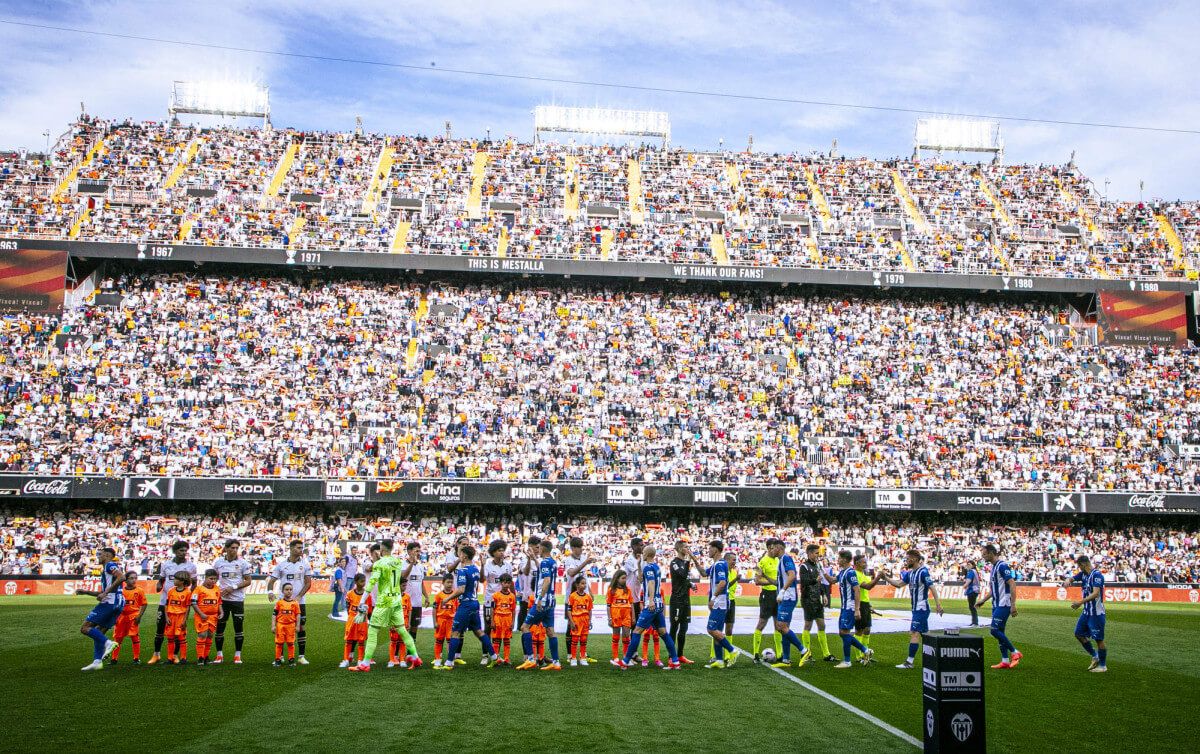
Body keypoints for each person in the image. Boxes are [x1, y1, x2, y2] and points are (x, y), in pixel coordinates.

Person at [350, 539, 420, 672]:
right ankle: (416, 657)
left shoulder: (379, 563)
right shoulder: (397, 562)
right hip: (396, 600)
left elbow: (371, 583)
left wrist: (361, 601)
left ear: (382, 549)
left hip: (384, 601)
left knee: (372, 631)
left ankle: (365, 663)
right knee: (402, 631)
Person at [615, 545, 681, 670]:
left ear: (648, 554)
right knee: (663, 633)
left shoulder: (649, 567)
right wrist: (639, 565)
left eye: (644, 552)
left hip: (651, 605)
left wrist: (650, 601)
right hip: (658, 605)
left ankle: (625, 661)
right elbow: (641, 579)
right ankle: (675, 662)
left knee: (636, 632)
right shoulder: (655, 566)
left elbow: (650, 583)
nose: (642, 553)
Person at [436, 544, 497, 670]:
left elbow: (461, 589)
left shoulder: (463, 571)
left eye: (460, 553)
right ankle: (495, 657)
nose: (459, 555)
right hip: (474, 603)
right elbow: (480, 580)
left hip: (466, 605)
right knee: (479, 631)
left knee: (455, 633)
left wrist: (447, 598)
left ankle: (449, 662)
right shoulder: (475, 568)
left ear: (464, 556)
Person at [881, 550, 943, 669]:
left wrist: (938, 604)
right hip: (916, 608)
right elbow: (899, 584)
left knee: (914, 633)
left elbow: (932, 587)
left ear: (914, 559)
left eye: (908, 558)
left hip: (921, 608)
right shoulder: (910, 573)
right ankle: (938, 658)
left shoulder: (923, 572)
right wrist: (886, 578)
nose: (906, 560)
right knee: (926, 634)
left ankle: (909, 662)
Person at [516, 538, 562, 671]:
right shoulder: (552, 561)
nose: (538, 549)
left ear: (542, 549)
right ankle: (556, 662)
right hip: (551, 601)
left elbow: (546, 580)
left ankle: (530, 659)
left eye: (539, 548)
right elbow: (543, 570)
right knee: (550, 631)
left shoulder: (545, 562)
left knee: (524, 627)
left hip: (542, 601)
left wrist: (540, 598)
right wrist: (534, 559)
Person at [149, 540, 196, 665]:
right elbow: (161, 580)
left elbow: (194, 583)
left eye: (185, 550)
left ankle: (174, 656)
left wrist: (187, 595)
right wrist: (159, 585)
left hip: (180, 606)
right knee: (160, 629)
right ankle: (156, 655)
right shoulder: (166, 564)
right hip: (165, 602)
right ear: (175, 551)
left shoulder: (191, 566)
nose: (184, 553)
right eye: (181, 550)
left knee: (177, 632)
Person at [77, 546, 123, 671]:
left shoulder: (109, 565)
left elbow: (121, 577)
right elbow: (105, 590)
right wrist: (85, 592)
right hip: (118, 603)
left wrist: (105, 593)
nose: (99, 556)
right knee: (99, 632)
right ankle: (97, 661)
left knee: (85, 628)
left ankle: (109, 643)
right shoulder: (107, 570)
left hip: (110, 602)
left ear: (107, 556)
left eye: (101, 554)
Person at [267, 539, 313, 665]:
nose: (300, 550)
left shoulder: (305, 565)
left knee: (301, 627)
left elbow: (308, 583)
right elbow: (271, 581)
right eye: (298, 547)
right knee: (281, 627)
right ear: (291, 548)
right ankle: (280, 656)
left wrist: (299, 596)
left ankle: (301, 656)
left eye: (301, 547)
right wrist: (270, 592)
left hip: (300, 602)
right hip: (283, 602)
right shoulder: (281, 565)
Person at [977, 543, 1022, 670]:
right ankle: (1005, 661)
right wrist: (983, 600)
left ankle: (1015, 652)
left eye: (984, 554)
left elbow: (1012, 584)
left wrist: (1013, 604)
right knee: (1000, 631)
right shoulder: (994, 567)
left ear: (991, 553)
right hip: (996, 604)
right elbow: (993, 590)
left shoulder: (1002, 566)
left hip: (1004, 603)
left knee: (994, 630)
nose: (983, 557)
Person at [769, 538, 811, 668]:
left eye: (773, 548)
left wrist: (782, 591)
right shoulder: (781, 561)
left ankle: (804, 650)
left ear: (779, 548)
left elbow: (792, 576)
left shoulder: (786, 559)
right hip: (785, 596)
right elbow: (782, 580)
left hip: (788, 597)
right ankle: (786, 659)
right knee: (783, 627)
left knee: (780, 625)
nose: (771, 550)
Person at [1062, 555, 1107, 672]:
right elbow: (1072, 578)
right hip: (1087, 612)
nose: (1079, 569)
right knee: (1078, 633)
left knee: (1099, 639)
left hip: (1096, 613)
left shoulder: (1096, 575)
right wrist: (1067, 580)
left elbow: (1096, 593)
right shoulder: (1083, 575)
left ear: (1083, 564)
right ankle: (1095, 655)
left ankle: (1103, 666)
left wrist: (1080, 602)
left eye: (1079, 566)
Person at [212, 539, 253, 665]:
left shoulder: (243, 563)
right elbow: (213, 579)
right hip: (222, 601)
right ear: (226, 548)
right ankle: (219, 655)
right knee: (220, 628)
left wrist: (233, 587)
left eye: (236, 548)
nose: (234, 550)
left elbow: (248, 581)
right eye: (232, 548)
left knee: (238, 628)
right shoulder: (218, 563)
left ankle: (237, 655)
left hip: (237, 600)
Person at [834, 550, 873, 669]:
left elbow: (857, 590)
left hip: (849, 607)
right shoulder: (842, 572)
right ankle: (865, 650)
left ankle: (847, 660)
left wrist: (857, 609)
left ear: (845, 560)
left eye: (839, 558)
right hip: (844, 606)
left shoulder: (850, 573)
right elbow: (832, 580)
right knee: (842, 633)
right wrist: (821, 572)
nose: (837, 560)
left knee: (845, 632)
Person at [562, 536, 597, 664]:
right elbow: (571, 573)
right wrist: (585, 563)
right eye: (578, 548)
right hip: (572, 597)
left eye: (582, 547)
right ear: (572, 548)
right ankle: (570, 654)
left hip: (584, 597)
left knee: (584, 626)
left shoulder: (583, 558)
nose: (581, 550)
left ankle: (583, 654)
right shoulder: (568, 560)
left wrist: (591, 592)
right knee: (571, 626)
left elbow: (584, 578)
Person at [704, 540, 739, 669]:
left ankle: (732, 650)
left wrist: (712, 598)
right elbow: (703, 573)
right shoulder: (716, 564)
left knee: (711, 629)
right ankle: (719, 660)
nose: (708, 551)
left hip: (720, 602)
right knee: (717, 631)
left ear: (716, 550)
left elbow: (723, 582)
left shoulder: (719, 565)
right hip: (721, 601)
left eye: (710, 548)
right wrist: (692, 557)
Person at [622, 537, 655, 666]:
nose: (642, 547)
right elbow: (640, 578)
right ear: (634, 546)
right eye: (641, 545)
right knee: (629, 627)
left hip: (636, 598)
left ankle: (633, 654)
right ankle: (627, 655)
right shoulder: (630, 560)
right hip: (629, 599)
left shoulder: (641, 560)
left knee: (635, 627)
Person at [799, 543, 835, 662]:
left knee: (822, 625)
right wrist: (815, 580)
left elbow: (821, 582)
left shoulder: (818, 565)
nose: (818, 555)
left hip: (817, 600)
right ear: (809, 553)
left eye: (818, 553)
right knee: (808, 625)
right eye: (816, 553)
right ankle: (807, 654)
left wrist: (824, 594)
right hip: (807, 599)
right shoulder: (804, 566)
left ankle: (826, 654)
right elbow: (803, 581)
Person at [669, 540, 699, 665]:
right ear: (680, 548)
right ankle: (672, 656)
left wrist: (691, 584)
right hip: (676, 600)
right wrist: (688, 560)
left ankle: (680, 655)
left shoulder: (685, 563)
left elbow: (684, 579)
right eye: (686, 547)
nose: (688, 549)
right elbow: (681, 574)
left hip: (686, 600)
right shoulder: (674, 562)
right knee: (674, 628)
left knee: (684, 628)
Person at [482, 539, 512, 664]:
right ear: (493, 552)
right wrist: (482, 565)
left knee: (501, 629)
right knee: (488, 628)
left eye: (502, 550)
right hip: (490, 601)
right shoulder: (488, 565)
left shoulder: (508, 566)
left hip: (504, 602)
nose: (501, 553)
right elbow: (482, 579)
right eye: (499, 550)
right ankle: (484, 655)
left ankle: (499, 656)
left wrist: (513, 597)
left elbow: (511, 583)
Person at [752, 544, 784, 663]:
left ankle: (780, 654)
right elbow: (757, 581)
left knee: (778, 625)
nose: (775, 549)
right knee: (761, 623)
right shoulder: (762, 562)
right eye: (773, 547)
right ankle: (755, 654)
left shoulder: (779, 560)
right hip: (767, 595)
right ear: (769, 548)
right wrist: (773, 583)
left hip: (777, 595)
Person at [110, 570, 146, 664]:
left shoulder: (139, 590)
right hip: (121, 617)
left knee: (134, 637)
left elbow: (144, 604)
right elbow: (115, 605)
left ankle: (136, 658)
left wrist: (139, 615)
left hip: (133, 616)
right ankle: (114, 659)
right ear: (125, 580)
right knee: (118, 638)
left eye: (135, 578)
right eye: (131, 578)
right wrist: (114, 617)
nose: (134, 580)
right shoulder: (120, 591)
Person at [192, 568, 224, 666]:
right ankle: (200, 658)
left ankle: (206, 657)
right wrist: (201, 613)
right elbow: (193, 603)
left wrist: (221, 612)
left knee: (210, 635)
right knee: (202, 635)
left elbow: (219, 602)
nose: (213, 581)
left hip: (213, 617)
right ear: (205, 578)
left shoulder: (217, 588)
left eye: (215, 579)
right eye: (211, 578)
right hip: (202, 616)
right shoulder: (198, 589)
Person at [341, 573, 372, 668]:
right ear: (356, 582)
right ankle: (346, 660)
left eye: (364, 581)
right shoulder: (350, 593)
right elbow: (347, 607)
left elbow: (369, 609)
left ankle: (360, 660)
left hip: (362, 620)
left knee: (361, 640)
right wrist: (352, 616)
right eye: (361, 581)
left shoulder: (367, 595)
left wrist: (368, 619)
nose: (363, 583)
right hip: (352, 619)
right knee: (349, 639)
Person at [163, 571, 194, 664]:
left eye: (176, 579)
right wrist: (166, 617)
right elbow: (166, 605)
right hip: (171, 616)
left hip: (180, 616)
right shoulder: (171, 591)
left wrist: (184, 620)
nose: (174, 580)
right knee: (170, 637)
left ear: (182, 581)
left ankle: (183, 658)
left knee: (181, 637)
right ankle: (170, 658)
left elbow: (188, 608)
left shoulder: (188, 592)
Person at [401, 542, 428, 646]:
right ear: (409, 551)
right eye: (416, 550)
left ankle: (410, 649)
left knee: (415, 626)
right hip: (406, 602)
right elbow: (403, 577)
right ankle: (400, 651)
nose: (418, 553)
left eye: (418, 551)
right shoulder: (403, 564)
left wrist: (426, 597)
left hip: (417, 602)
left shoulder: (421, 566)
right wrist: (411, 563)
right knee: (404, 626)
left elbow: (421, 583)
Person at [606, 569, 634, 664]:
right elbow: (608, 605)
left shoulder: (628, 589)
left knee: (626, 636)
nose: (625, 580)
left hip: (626, 615)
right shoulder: (611, 590)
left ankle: (626, 657)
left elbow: (631, 604)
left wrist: (633, 617)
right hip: (616, 615)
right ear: (617, 579)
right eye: (623, 578)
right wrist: (609, 618)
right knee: (616, 637)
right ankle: (616, 657)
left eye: (625, 578)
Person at [491, 574, 518, 665]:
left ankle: (506, 658)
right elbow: (492, 609)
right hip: (498, 618)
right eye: (504, 582)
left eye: (508, 583)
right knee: (497, 639)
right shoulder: (495, 595)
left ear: (510, 584)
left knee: (507, 640)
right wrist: (492, 621)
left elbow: (513, 610)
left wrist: (513, 622)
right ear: (501, 583)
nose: (506, 585)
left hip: (508, 619)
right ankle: (496, 658)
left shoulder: (512, 596)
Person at [432, 573, 458, 667]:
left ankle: (450, 659)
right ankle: (437, 659)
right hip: (441, 620)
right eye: (448, 582)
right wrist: (435, 621)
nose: (450, 584)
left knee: (450, 641)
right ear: (443, 583)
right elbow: (434, 609)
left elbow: (458, 609)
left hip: (451, 621)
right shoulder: (439, 595)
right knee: (439, 640)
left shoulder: (455, 595)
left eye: (451, 582)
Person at [568, 575, 594, 666]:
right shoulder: (572, 596)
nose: (584, 585)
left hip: (585, 620)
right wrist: (571, 621)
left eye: (585, 583)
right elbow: (569, 610)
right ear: (577, 585)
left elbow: (590, 610)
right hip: (576, 620)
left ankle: (583, 658)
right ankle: (573, 658)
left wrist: (590, 621)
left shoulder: (588, 597)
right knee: (574, 639)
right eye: (582, 583)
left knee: (583, 640)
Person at [273, 583, 301, 666]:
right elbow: (274, 614)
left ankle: (291, 659)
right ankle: (277, 659)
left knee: (290, 643)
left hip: (291, 625)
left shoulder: (295, 603)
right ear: (282, 591)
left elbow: (298, 615)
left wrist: (297, 625)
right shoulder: (279, 603)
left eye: (290, 590)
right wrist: (273, 625)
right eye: (286, 589)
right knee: (279, 643)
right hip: (280, 625)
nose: (289, 591)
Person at [388, 590, 415, 668]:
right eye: (403, 585)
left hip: (404, 623)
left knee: (402, 641)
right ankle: (391, 660)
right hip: (395, 623)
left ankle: (402, 660)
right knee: (393, 641)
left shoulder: (407, 597)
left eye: (405, 585)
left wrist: (409, 623)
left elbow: (409, 610)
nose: (404, 587)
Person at [964, 559, 981, 627]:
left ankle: (975, 622)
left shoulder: (971, 572)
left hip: (972, 590)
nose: (968, 566)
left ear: (973, 565)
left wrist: (965, 586)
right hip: (975, 590)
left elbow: (968, 581)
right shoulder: (975, 571)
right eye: (967, 564)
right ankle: (974, 621)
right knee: (972, 606)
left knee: (972, 607)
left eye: (969, 564)